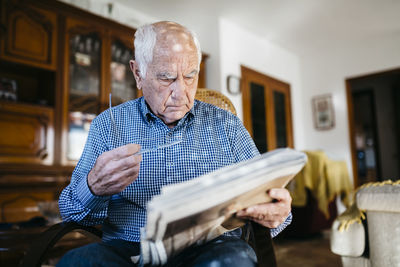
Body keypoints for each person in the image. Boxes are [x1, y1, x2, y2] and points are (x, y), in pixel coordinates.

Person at [57, 21, 292, 267]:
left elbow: (268, 202)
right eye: (167, 78)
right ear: (138, 74)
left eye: (191, 76)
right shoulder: (108, 125)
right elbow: (72, 213)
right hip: (130, 251)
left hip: (212, 249)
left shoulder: (227, 126)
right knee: (80, 261)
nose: (182, 93)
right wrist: (93, 187)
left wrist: (277, 210)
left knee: (235, 260)